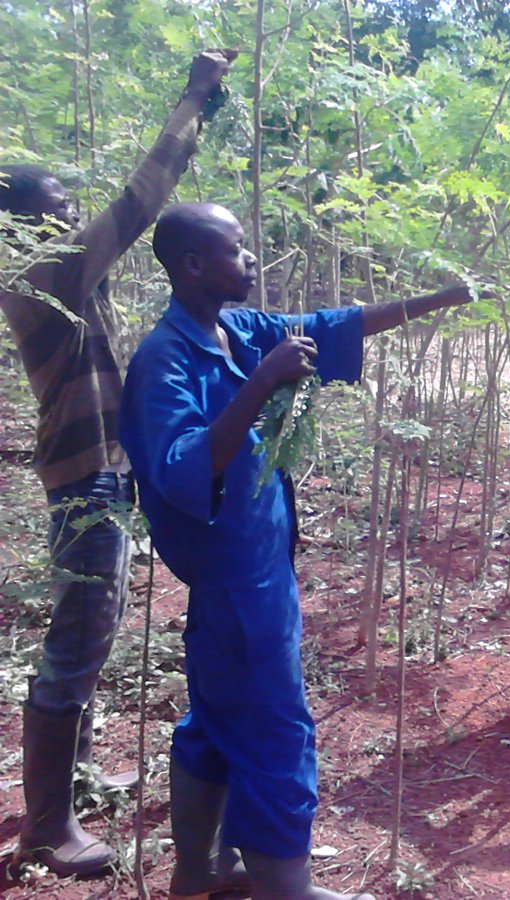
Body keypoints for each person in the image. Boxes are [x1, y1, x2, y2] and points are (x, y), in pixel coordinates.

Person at [120, 202, 474, 899]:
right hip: (235, 583)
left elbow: (330, 325)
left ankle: (199, 873)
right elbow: (184, 465)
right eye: (237, 248)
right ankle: (286, 887)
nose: (251, 259)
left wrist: (437, 299)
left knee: (216, 719)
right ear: (193, 264)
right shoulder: (164, 361)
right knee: (278, 727)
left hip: (254, 570)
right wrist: (261, 384)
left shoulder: (234, 329)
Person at [0, 50, 234, 878]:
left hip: (99, 475)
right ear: (22, 225)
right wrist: (194, 99)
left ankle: (70, 788)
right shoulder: (47, 272)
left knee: (88, 635)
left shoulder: (54, 275)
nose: (71, 219)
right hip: (84, 484)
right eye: (54, 209)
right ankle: (46, 828)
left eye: (67, 209)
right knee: (74, 641)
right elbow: (140, 203)